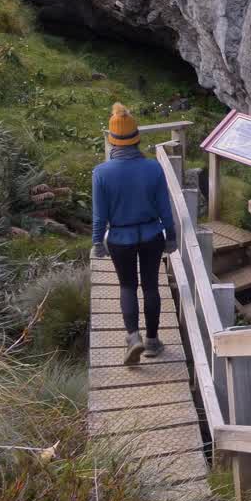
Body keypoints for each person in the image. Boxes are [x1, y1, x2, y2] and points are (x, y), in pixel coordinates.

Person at [91, 103, 178, 364]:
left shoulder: (101, 173)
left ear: (112, 140)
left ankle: (133, 337)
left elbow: (99, 214)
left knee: (127, 286)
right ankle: (152, 341)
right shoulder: (153, 169)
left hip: (120, 239)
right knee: (151, 285)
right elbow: (165, 206)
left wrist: (97, 241)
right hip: (152, 236)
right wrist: (171, 235)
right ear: (137, 137)